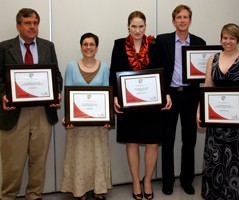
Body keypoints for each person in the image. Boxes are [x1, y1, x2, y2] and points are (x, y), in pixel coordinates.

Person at [0, 8, 63, 200]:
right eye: (28, 23)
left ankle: (34, 196)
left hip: (42, 113)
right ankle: (7, 196)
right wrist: (3, 95)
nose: (32, 27)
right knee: (13, 164)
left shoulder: (47, 46)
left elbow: (56, 76)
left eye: (35, 23)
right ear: (18, 25)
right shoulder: (3, 48)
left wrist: (57, 92)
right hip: (14, 113)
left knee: (39, 162)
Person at [109, 11, 171, 200]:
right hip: (129, 103)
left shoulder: (155, 43)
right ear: (128, 26)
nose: (137, 30)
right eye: (134, 26)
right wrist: (115, 97)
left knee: (152, 143)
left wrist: (167, 93)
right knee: (132, 142)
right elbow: (114, 71)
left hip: (151, 102)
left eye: (141, 26)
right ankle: (136, 180)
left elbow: (165, 69)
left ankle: (147, 180)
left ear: (145, 27)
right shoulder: (119, 44)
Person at [196, 23, 239, 199]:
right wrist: (200, 111)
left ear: (238, 40)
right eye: (225, 37)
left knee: (238, 159)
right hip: (216, 119)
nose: (228, 41)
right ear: (221, 38)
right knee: (215, 159)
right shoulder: (213, 59)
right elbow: (207, 87)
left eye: (232, 38)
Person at [156, 4, 206, 195]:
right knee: (168, 140)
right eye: (179, 17)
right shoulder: (162, 41)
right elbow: (158, 70)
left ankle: (187, 180)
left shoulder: (200, 43)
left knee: (189, 140)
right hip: (170, 96)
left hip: (191, 96)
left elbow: (205, 72)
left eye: (186, 17)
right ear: (173, 20)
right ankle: (167, 181)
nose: (183, 20)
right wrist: (163, 93)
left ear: (190, 20)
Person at [60, 33, 112, 200]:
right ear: (81, 46)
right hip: (77, 123)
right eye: (85, 44)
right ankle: (80, 190)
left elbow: (107, 93)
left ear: (97, 47)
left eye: (92, 44)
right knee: (79, 157)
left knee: (98, 156)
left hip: (97, 123)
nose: (88, 47)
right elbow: (67, 92)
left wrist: (108, 118)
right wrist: (68, 118)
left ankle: (98, 189)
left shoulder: (104, 67)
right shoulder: (71, 66)